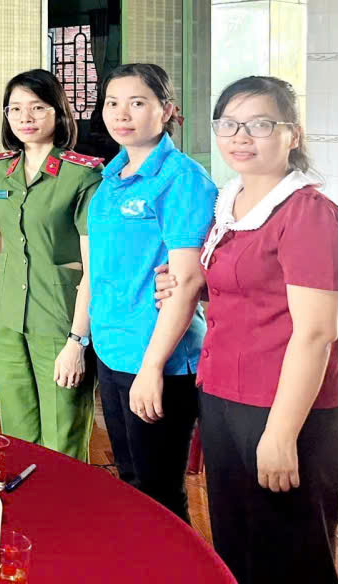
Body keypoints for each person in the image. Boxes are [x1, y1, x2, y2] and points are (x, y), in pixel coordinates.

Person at [157, 77, 338, 584]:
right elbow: (247, 286)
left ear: (293, 134)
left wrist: (282, 433)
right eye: (229, 124)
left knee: (290, 556)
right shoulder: (233, 203)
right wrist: (184, 285)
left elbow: (315, 334)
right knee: (236, 546)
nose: (241, 137)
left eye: (260, 124)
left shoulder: (309, 215)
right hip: (224, 395)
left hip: (285, 408)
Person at [87, 63, 215, 521]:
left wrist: (152, 367)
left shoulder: (182, 179)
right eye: (112, 103)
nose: (122, 114)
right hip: (112, 350)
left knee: (159, 494)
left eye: (137, 103)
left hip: (159, 358)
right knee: (131, 482)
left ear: (167, 111)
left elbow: (187, 282)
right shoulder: (111, 178)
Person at [0, 69, 102, 460]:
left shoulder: (83, 175)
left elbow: (94, 268)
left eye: (38, 107)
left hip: (59, 322)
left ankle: (66, 503)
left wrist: (77, 341)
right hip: (8, 319)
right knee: (17, 434)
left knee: (63, 439)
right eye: (15, 109)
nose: (25, 117)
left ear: (58, 112)